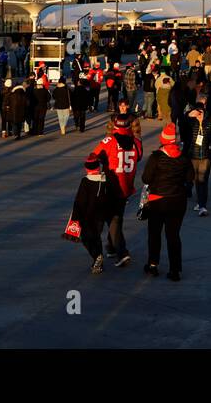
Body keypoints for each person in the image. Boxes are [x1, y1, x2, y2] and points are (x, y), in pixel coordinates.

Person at [141, 123, 193, 280]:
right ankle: (175, 270)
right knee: (173, 235)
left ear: (162, 139)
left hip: (158, 201)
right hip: (177, 201)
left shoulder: (156, 157)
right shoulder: (183, 157)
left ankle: (153, 265)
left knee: (155, 233)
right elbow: (190, 178)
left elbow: (146, 178)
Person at [95, 111, 142, 268]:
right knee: (116, 217)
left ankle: (122, 252)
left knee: (113, 220)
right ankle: (111, 246)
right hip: (126, 187)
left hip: (111, 185)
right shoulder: (136, 141)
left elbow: (94, 156)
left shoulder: (109, 141)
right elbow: (139, 156)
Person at [72, 151, 115, 274]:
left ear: (87, 168)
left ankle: (97, 256)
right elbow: (110, 196)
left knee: (86, 238)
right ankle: (98, 259)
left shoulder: (85, 181)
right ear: (98, 167)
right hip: (100, 216)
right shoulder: (105, 180)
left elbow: (80, 200)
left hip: (87, 216)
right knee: (96, 237)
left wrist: (75, 216)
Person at [186, 104, 211, 216]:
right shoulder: (191, 122)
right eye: (197, 112)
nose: (199, 114)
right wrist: (188, 115)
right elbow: (182, 124)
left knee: (203, 180)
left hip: (206, 156)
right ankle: (200, 201)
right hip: (193, 156)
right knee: (196, 179)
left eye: (200, 111)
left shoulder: (210, 122)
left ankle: (202, 206)